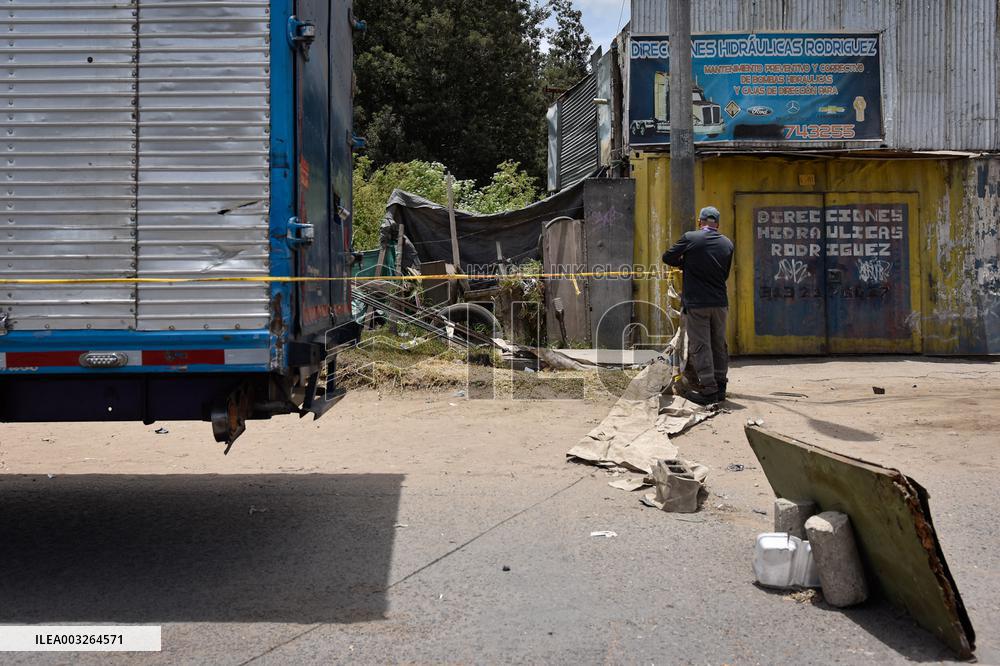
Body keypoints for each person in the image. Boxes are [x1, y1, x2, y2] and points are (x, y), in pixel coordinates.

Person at [662, 206, 734, 405]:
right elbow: (725, 273)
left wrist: (685, 263)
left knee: (701, 346)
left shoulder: (691, 238)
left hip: (697, 304)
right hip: (720, 303)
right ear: (717, 224)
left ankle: (709, 391)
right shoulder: (727, 243)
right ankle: (721, 388)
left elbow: (667, 257)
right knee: (719, 344)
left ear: (700, 222)